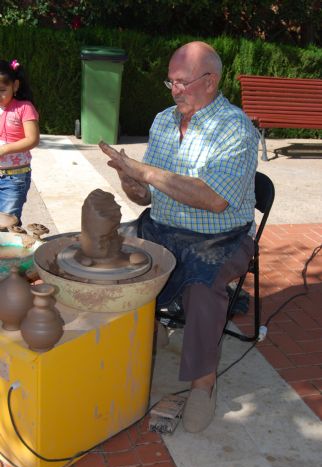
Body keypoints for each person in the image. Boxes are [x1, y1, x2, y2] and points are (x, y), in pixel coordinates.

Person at [99, 41, 259, 433]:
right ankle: (144, 334)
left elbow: (215, 199)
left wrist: (146, 172)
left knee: (203, 286)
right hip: (163, 226)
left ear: (211, 81)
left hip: (221, 237)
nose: (175, 91)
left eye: (183, 83)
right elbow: (146, 196)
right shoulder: (163, 121)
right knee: (111, 256)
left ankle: (203, 383)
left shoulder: (235, 127)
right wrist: (129, 178)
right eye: (170, 82)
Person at [0, 59, 39, 225]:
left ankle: (11, 250)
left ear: (15, 86)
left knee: (7, 223)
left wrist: (4, 149)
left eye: (2, 90)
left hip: (14, 178)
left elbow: (33, 139)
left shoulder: (24, 108)